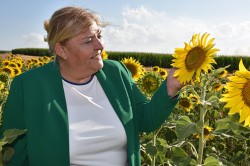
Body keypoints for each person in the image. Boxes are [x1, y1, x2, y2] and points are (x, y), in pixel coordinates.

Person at [0, 6, 182, 166]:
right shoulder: (29, 86)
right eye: (88, 41)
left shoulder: (116, 73)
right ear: (61, 50)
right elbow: (13, 150)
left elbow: (144, 120)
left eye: (99, 36)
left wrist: (170, 88)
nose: (100, 45)